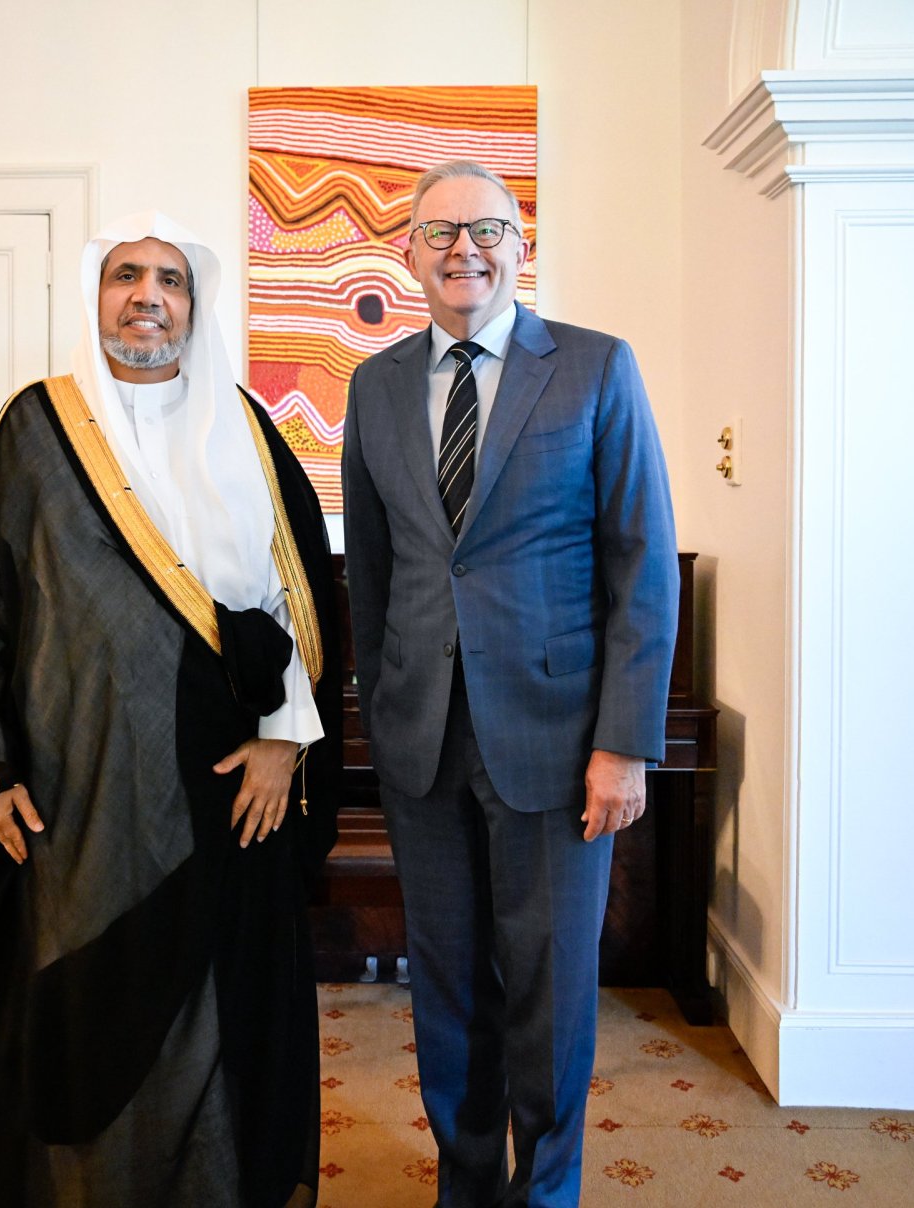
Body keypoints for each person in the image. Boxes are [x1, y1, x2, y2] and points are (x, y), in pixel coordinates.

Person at [0, 211, 341, 1208]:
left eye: (168, 279)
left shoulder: (245, 428)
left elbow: (303, 606)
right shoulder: (36, 425)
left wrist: (284, 741)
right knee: (87, 1004)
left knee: (216, 1007)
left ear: (194, 304)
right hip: (79, 793)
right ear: (94, 294)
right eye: (124, 276)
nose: (146, 296)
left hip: (230, 788)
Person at [341, 160, 678, 1208]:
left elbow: (642, 564)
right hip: (422, 744)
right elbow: (375, 567)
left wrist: (622, 742)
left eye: (484, 229)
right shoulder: (376, 384)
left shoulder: (592, 368)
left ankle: (548, 1186)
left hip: (556, 742)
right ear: (407, 253)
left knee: (545, 990)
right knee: (446, 985)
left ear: (517, 247)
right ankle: (466, 1178)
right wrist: (380, 705)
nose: (461, 250)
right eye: (438, 233)